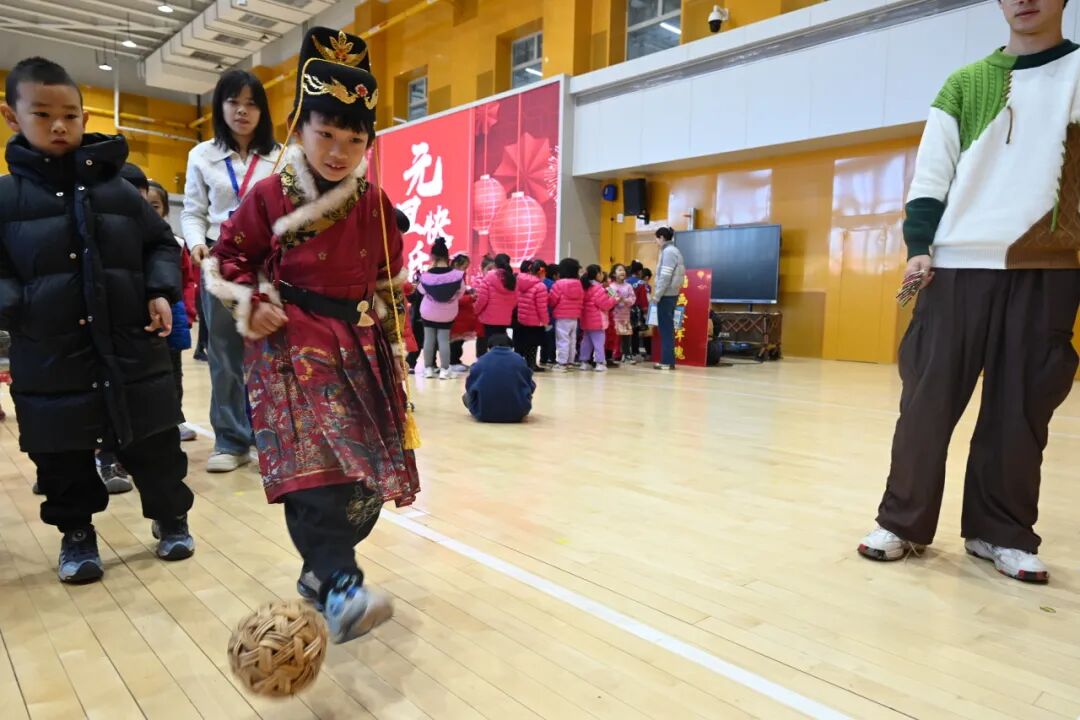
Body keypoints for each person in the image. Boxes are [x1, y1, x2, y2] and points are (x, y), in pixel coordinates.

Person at [205, 27, 419, 642]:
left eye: (354, 139)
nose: (338, 150)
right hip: (290, 346)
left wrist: (395, 339)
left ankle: (321, 570)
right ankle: (339, 582)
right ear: (299, 129)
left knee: (360, 479)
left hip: (358, 348)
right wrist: (252, 302)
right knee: (316, 471)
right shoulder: (269, 195)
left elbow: (390, 278)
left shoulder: (374, 202)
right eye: (326, 134)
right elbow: (226, 260)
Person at [858, 0, 1080, 584]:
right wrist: (919, 246)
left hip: (1049, 267)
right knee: (926, 403)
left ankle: (999, 532)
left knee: (1021, 410)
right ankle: (902, 522)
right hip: (955, 265)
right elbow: (932, 173)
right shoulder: (965, 83)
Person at [0, 57, 196, 582]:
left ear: (85, 117)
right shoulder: (5, 199)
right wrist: (18, 302)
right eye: (42, 114)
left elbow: (161, 244)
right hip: (50, 354)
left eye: (70, 114)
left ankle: (171, 517)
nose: (58, 125)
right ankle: (76, 533)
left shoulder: (118, 191)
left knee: (154, 441)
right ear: (12, 117)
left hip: (132, 348)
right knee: (60, 452)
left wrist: (158, 290)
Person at [182, 69, 281, 473]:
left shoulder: (282, 156)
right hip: (220, 265)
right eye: (233, 102)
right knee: (224, 356)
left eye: (251, 103)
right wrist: (195, 243)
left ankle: (272, 439)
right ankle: (230, 440)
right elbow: (193, 211)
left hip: (268, 266)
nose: (242, 111)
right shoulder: (201, 155)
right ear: (219, 107)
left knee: (272, 355)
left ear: (263, 110)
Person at [147, 180, 199, 443]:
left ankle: (174, 420)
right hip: (144, 321)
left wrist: (187, 312)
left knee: (173, 372)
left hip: (174, 316)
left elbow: (188, 280)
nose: (149, 210)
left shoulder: (176, 243)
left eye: (155, 205)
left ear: (165, 210)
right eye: (143, 203)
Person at [418, 238, 465, 379]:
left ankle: (428, 369)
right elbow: (461, 292)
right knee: (444, 340)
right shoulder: (457, 275)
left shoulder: (426, 276)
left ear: (432, 256)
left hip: (428, 312)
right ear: (447, 256)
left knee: (428, 339)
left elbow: (421, 291)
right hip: (448, 313)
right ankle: (445, 370)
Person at [463, 335, 535, 423]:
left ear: (489, 348)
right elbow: (531, 386)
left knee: (466, 396)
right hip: (517, 414)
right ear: (511, 347)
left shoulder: (482, 360)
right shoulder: (520, 360)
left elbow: (469, 386)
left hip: (483, 413)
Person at [651, 228, 685, 370]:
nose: (655, 241)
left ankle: (666, 361)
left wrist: (657, 295)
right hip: (672, 294)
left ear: (662, 237)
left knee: (665, 330)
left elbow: (665, 276)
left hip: (666, 295)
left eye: (656, 238)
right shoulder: (673, 250)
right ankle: (668, 361)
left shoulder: (668, 252)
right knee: (667, 328)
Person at [474, 253, 518, 356]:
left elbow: (482, 299)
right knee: (501, 346)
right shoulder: (512, 279)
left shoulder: (489, 277)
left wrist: (475, 311)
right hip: (504, 320)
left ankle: (483, 363)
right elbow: (515, 300)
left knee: (484, 344)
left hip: (488, 319)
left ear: (495, 264)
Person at [578, 264, 618, 373]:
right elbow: (605, 305)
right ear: (597, 275)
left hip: (586, 321)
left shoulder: (584, 287)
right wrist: (614, 300)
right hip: (597, 322)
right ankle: (600, 363)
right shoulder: (599, 289)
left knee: (586, 342)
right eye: (601, 273)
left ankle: (584, 362)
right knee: (599, 343)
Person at [549, 258, 584, 372]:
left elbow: (552, 300)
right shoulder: (579, 284)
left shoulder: (559, 284)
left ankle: (562, 363)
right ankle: (570, 362)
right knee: (572, 340)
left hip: (562, 317)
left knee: (562, 340)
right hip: (575, 317)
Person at [513, 259, 550, 372]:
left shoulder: (520, 281)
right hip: (535, 320)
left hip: (522, 317)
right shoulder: (540, 286)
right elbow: (541, 307)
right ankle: (531, 364)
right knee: (533, 344)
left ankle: (521, 363)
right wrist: (545, 321)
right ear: (542, 272)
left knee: (523, 342)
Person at [449, 254, 476, 374]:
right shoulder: (453, 278)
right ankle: (453, 362)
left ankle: (456, 361)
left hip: (462, 314)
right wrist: (470, 297)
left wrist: (468, 293)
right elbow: (454, 298)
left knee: (459, 340)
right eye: (464, 267)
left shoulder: (459, 277)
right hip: (457, 314)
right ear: (456, 264)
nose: (465, 270)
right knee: (455, 340)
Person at [608, 263, 637, 364]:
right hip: (614, 316)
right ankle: (614, 355)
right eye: (619, 270)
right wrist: (617, 300)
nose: (622, 272)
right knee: (614, 337)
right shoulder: (611, 286)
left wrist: (625, 300)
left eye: (623, 270)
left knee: (626, 336)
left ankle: (627, 355)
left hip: (625, 316)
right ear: (614, 273)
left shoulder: (628, 286)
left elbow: (633, 298)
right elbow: (610, 299)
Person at [540, 264, 559, 366]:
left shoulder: (542, 282)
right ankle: (551, 357)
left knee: (544, 337)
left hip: (542, 314)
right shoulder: (553, 285)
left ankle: (543, 358)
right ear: (555, 275)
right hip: (551, 315)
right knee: (551, 337)